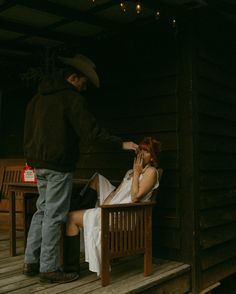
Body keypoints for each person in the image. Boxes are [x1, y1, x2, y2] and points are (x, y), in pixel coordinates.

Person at [23, 54, 138, 283]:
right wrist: (121, 143)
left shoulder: (37, 98)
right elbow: (90, 132)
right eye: (83, 83)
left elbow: (27, 133)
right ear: (73, 77)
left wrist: (32, 160)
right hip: (58, 166)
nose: (84, 89)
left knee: (43, 210)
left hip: (39, 165)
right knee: (54, 214)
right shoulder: (70, 98)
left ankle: (31, 261)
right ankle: (48, 268)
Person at [64, 137, 161, 277]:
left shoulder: (151, 172)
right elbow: (116, 192)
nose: (141, 154)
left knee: (71, 217)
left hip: (124, 216)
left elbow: (135, 197)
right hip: (113, 210)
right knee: (95, 182)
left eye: (146, 152)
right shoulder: (130, 171)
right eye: (140, 150)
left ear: (152, 157)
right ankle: (78, 207)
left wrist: (137, 173)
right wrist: (104, 207)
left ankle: (71, 270)